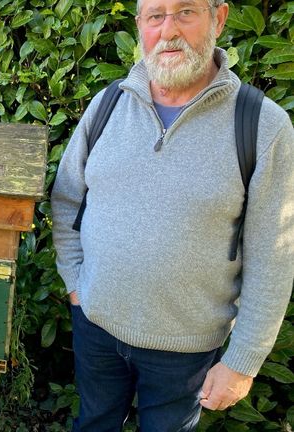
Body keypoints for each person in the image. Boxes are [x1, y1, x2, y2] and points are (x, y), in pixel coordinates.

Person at [51, 0, 294, 430]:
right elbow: (68, 200)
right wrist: (76, 285)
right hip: (96, 327)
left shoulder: (262, 125)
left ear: (217, 19)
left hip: (185, 352)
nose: (168, 31)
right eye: (155, 16)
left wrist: (242, 362)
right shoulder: (108, 105)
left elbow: (274, 257)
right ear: (140, 26)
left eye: (185, 12)